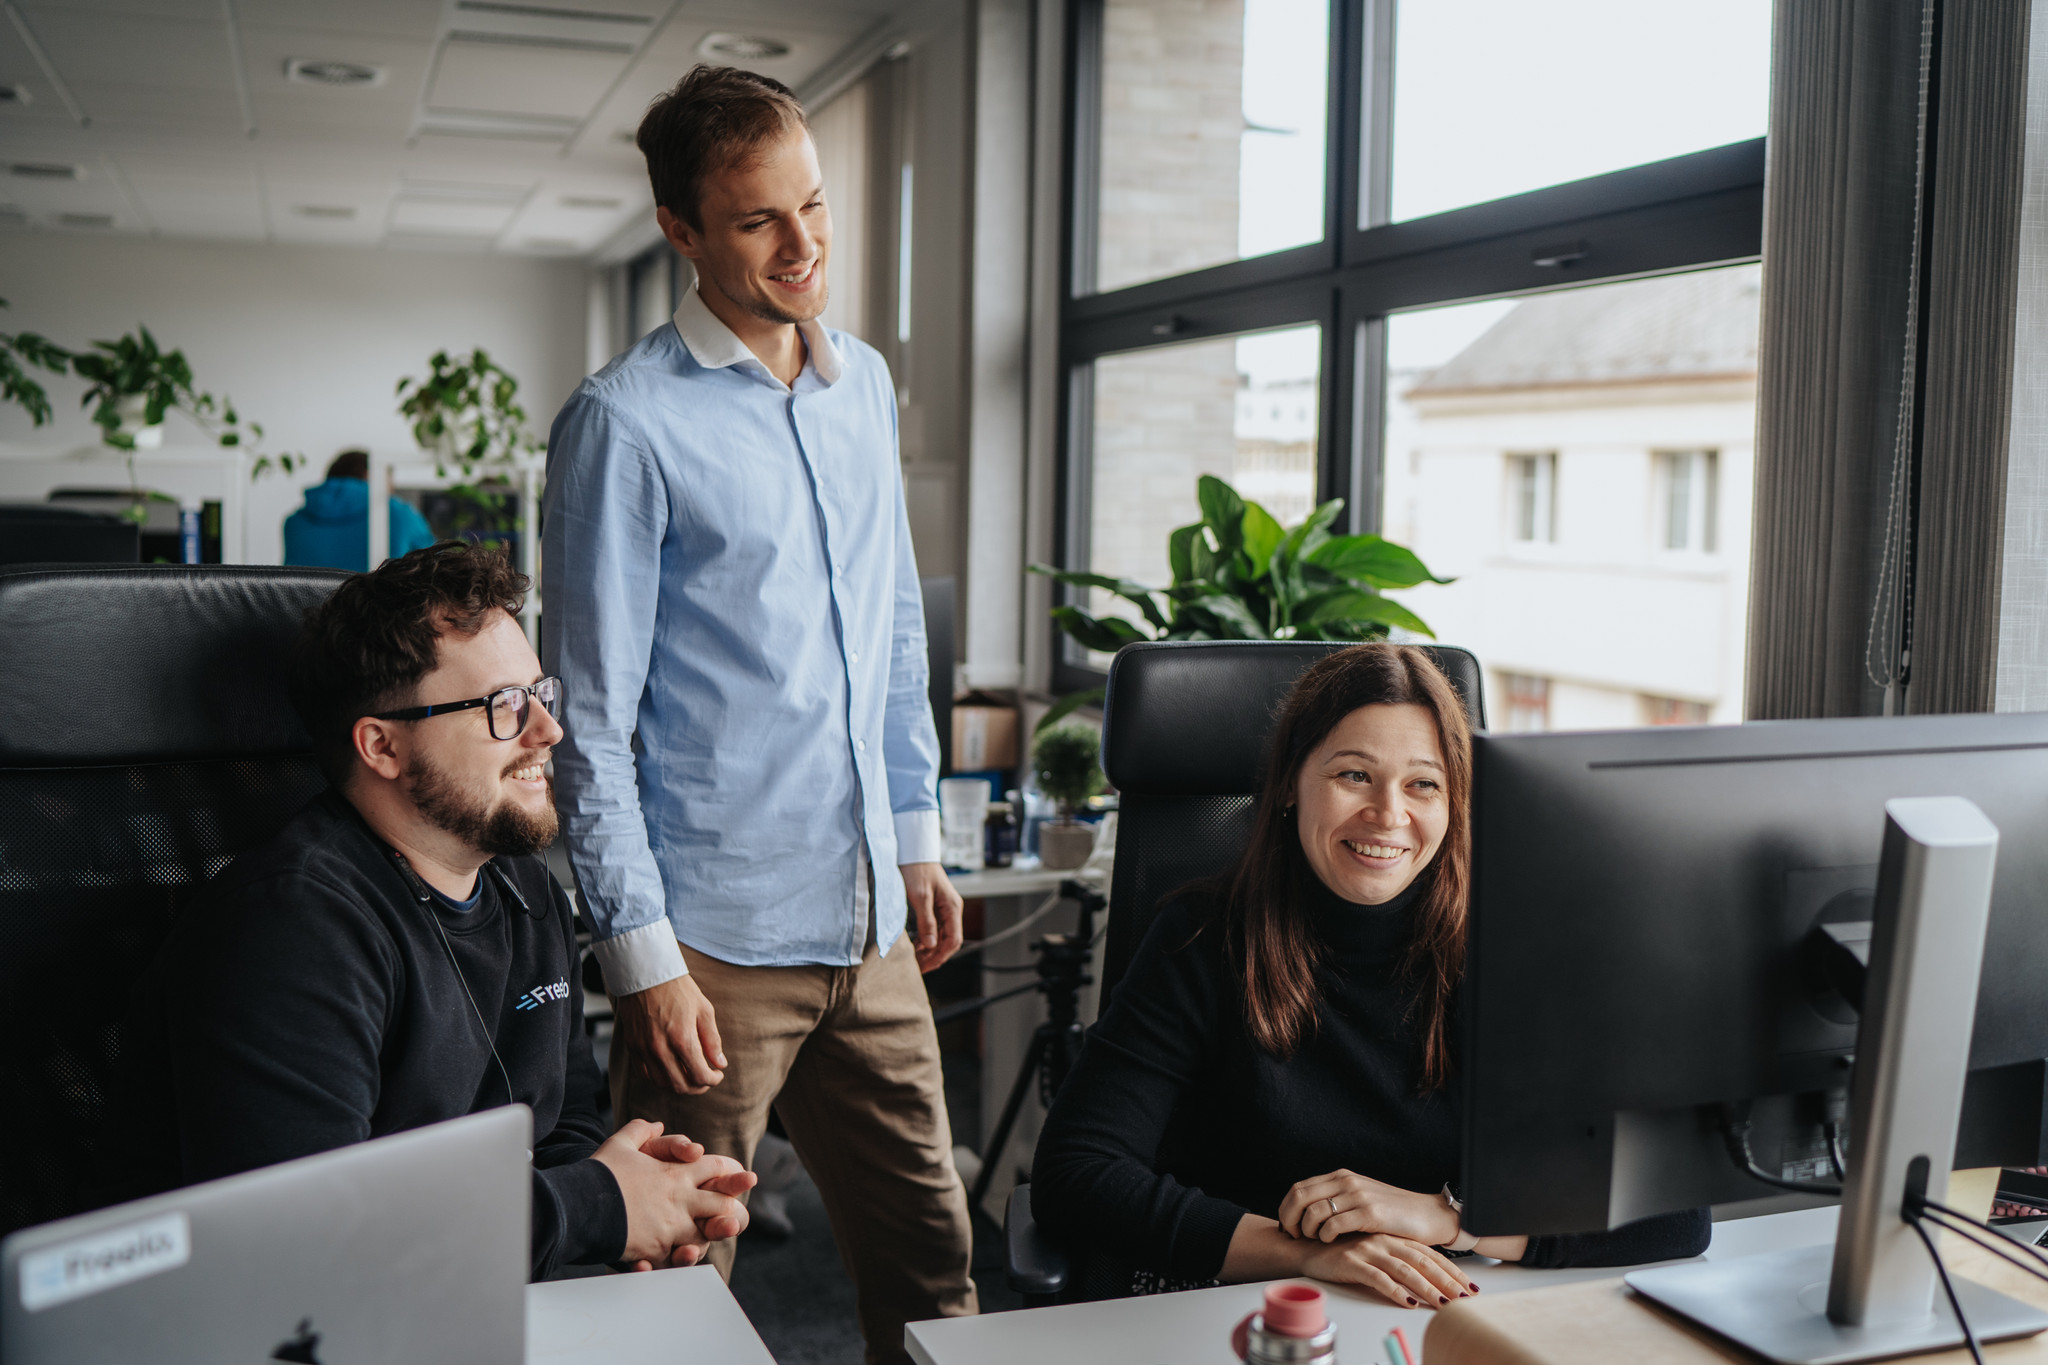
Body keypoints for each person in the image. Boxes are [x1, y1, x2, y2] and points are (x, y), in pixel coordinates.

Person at [541, 65, 976, 1362]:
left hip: (868, 920)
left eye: (815, 205)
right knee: (675, 1293)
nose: (804, 246)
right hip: (714, 950)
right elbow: (592, 721)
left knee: (933, 1262)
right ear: (681, 230)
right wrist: (642, 952)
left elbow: (891, 628)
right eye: (756, 221)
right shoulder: (624, 426)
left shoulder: (863, 389)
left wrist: (916, 833)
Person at [113, 542, 757, 1280]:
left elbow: (561, 1122)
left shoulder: (529, 889)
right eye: (504, 707)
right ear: (381, 745)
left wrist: (638, 1204)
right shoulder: (291, 927)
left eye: (541, 695)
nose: (548, 732)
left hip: (474, 1294)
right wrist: (596, 1208)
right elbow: (305, 1236)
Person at [1030, 644, 1709, 1303]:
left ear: (1454, 803)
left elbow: (1672, 1209)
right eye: (1353, 774)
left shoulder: (1510, 948)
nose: (1389, 814)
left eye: (1423, 783)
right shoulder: (1202, 938)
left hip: (1435, 1308)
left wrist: (1447, 1218)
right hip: (1235, 1307)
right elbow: (1075, 1173)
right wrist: (1310, 1252)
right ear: (1291, 784)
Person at [284, 449, 437, 571]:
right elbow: (437, 563)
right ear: (371, 475)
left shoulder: (294, 522)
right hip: (374, 609)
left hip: (306, 610)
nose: (391, 493)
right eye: (389, 486)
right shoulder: (399, 513)